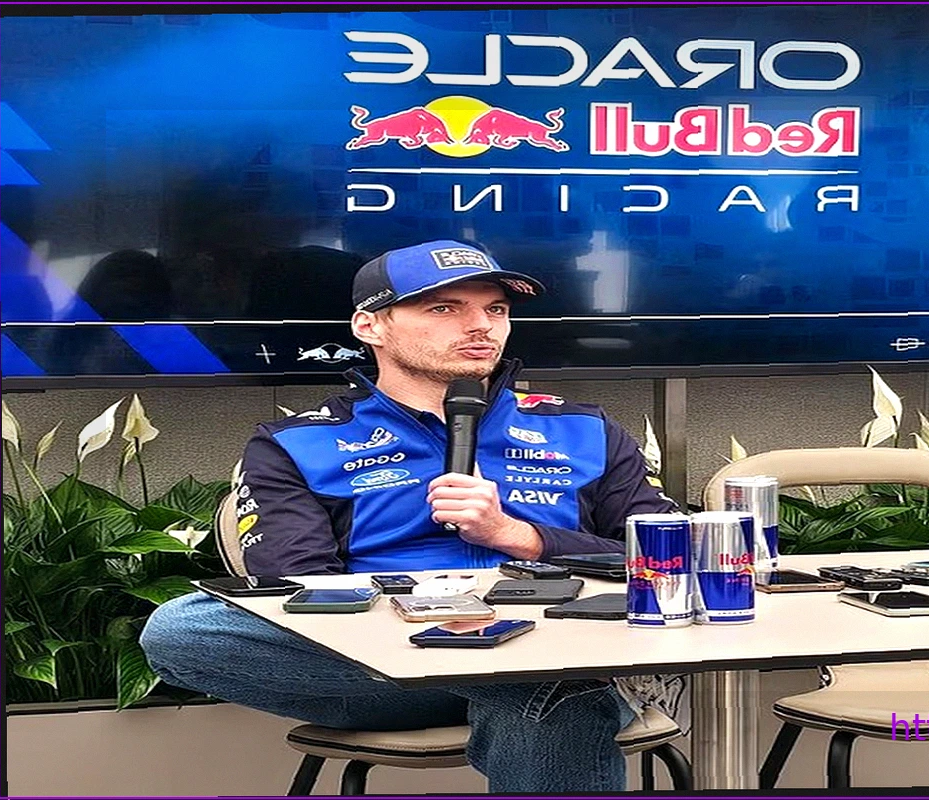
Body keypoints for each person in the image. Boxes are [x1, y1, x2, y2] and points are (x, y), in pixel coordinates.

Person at [141, 240, 678, 793]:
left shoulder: (584, 429)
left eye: (495, 309)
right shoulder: (298, 443)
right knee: (183, 628)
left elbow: (670, 559)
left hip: (563, 644)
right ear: (369, 325)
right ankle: (510, 682)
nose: (481, 326)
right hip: (393, 665)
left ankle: (521, 683)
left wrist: (519, 536)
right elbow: (298, 593)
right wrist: (437, 621)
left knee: (554, 693)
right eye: (444, 308)